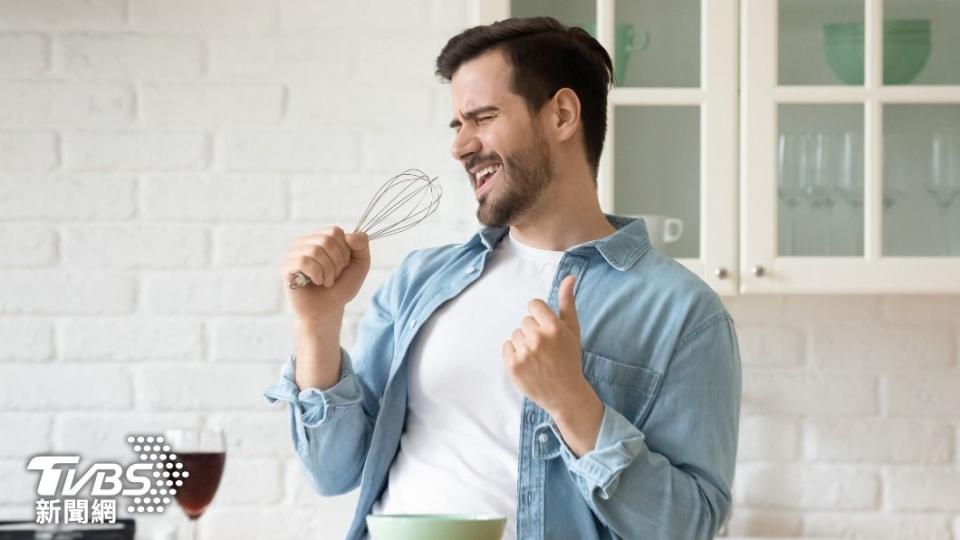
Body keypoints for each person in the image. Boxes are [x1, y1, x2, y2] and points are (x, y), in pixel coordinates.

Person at [264, 17, 741, 540]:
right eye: (456, 125)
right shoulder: (420, 281)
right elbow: (333, 472)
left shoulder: (682, 313)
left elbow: (691, 525)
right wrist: (318, 325)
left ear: (561, 114)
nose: (460, 146)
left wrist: (572, 403)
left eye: (483, 117)